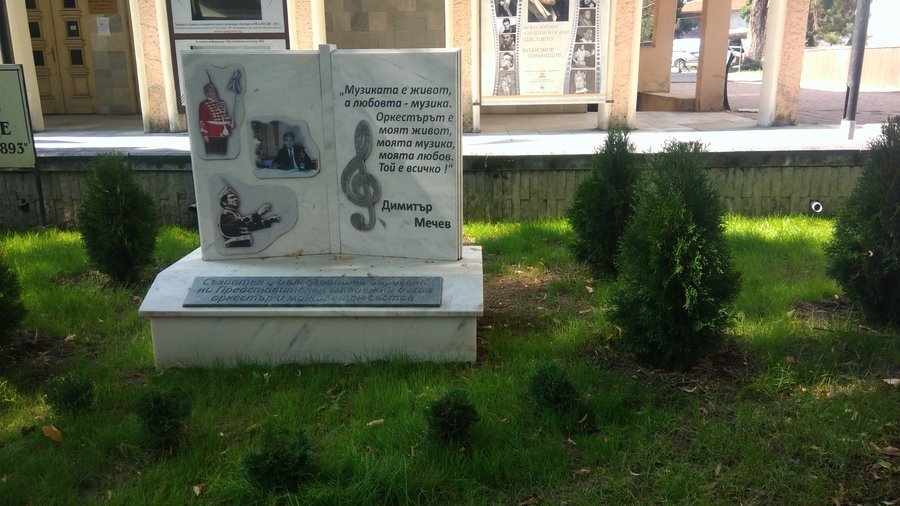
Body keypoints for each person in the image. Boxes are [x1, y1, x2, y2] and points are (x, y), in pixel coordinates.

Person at [198, 82, 233, 155]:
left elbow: (224, 116)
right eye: (211, 90)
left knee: (223, 154)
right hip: (212, 133)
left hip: (223, 133)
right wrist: (205, 134)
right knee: (213, 155)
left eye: (214, 90)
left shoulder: (222, 103)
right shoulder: (204, 104)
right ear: (207, 94)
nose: (214, 92)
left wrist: (230, 124)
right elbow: (202, 120)